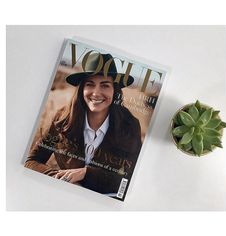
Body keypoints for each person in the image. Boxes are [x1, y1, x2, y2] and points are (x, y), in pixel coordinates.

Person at [24, 53, 142, 196]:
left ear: (115, 90)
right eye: (90, 84)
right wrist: (63, 178)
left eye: (105, 85)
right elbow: (32, 160)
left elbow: (130, 178)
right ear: (81, 89)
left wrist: (86, 173)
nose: (96, 93)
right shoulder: (62, 119)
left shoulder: (130, 126)